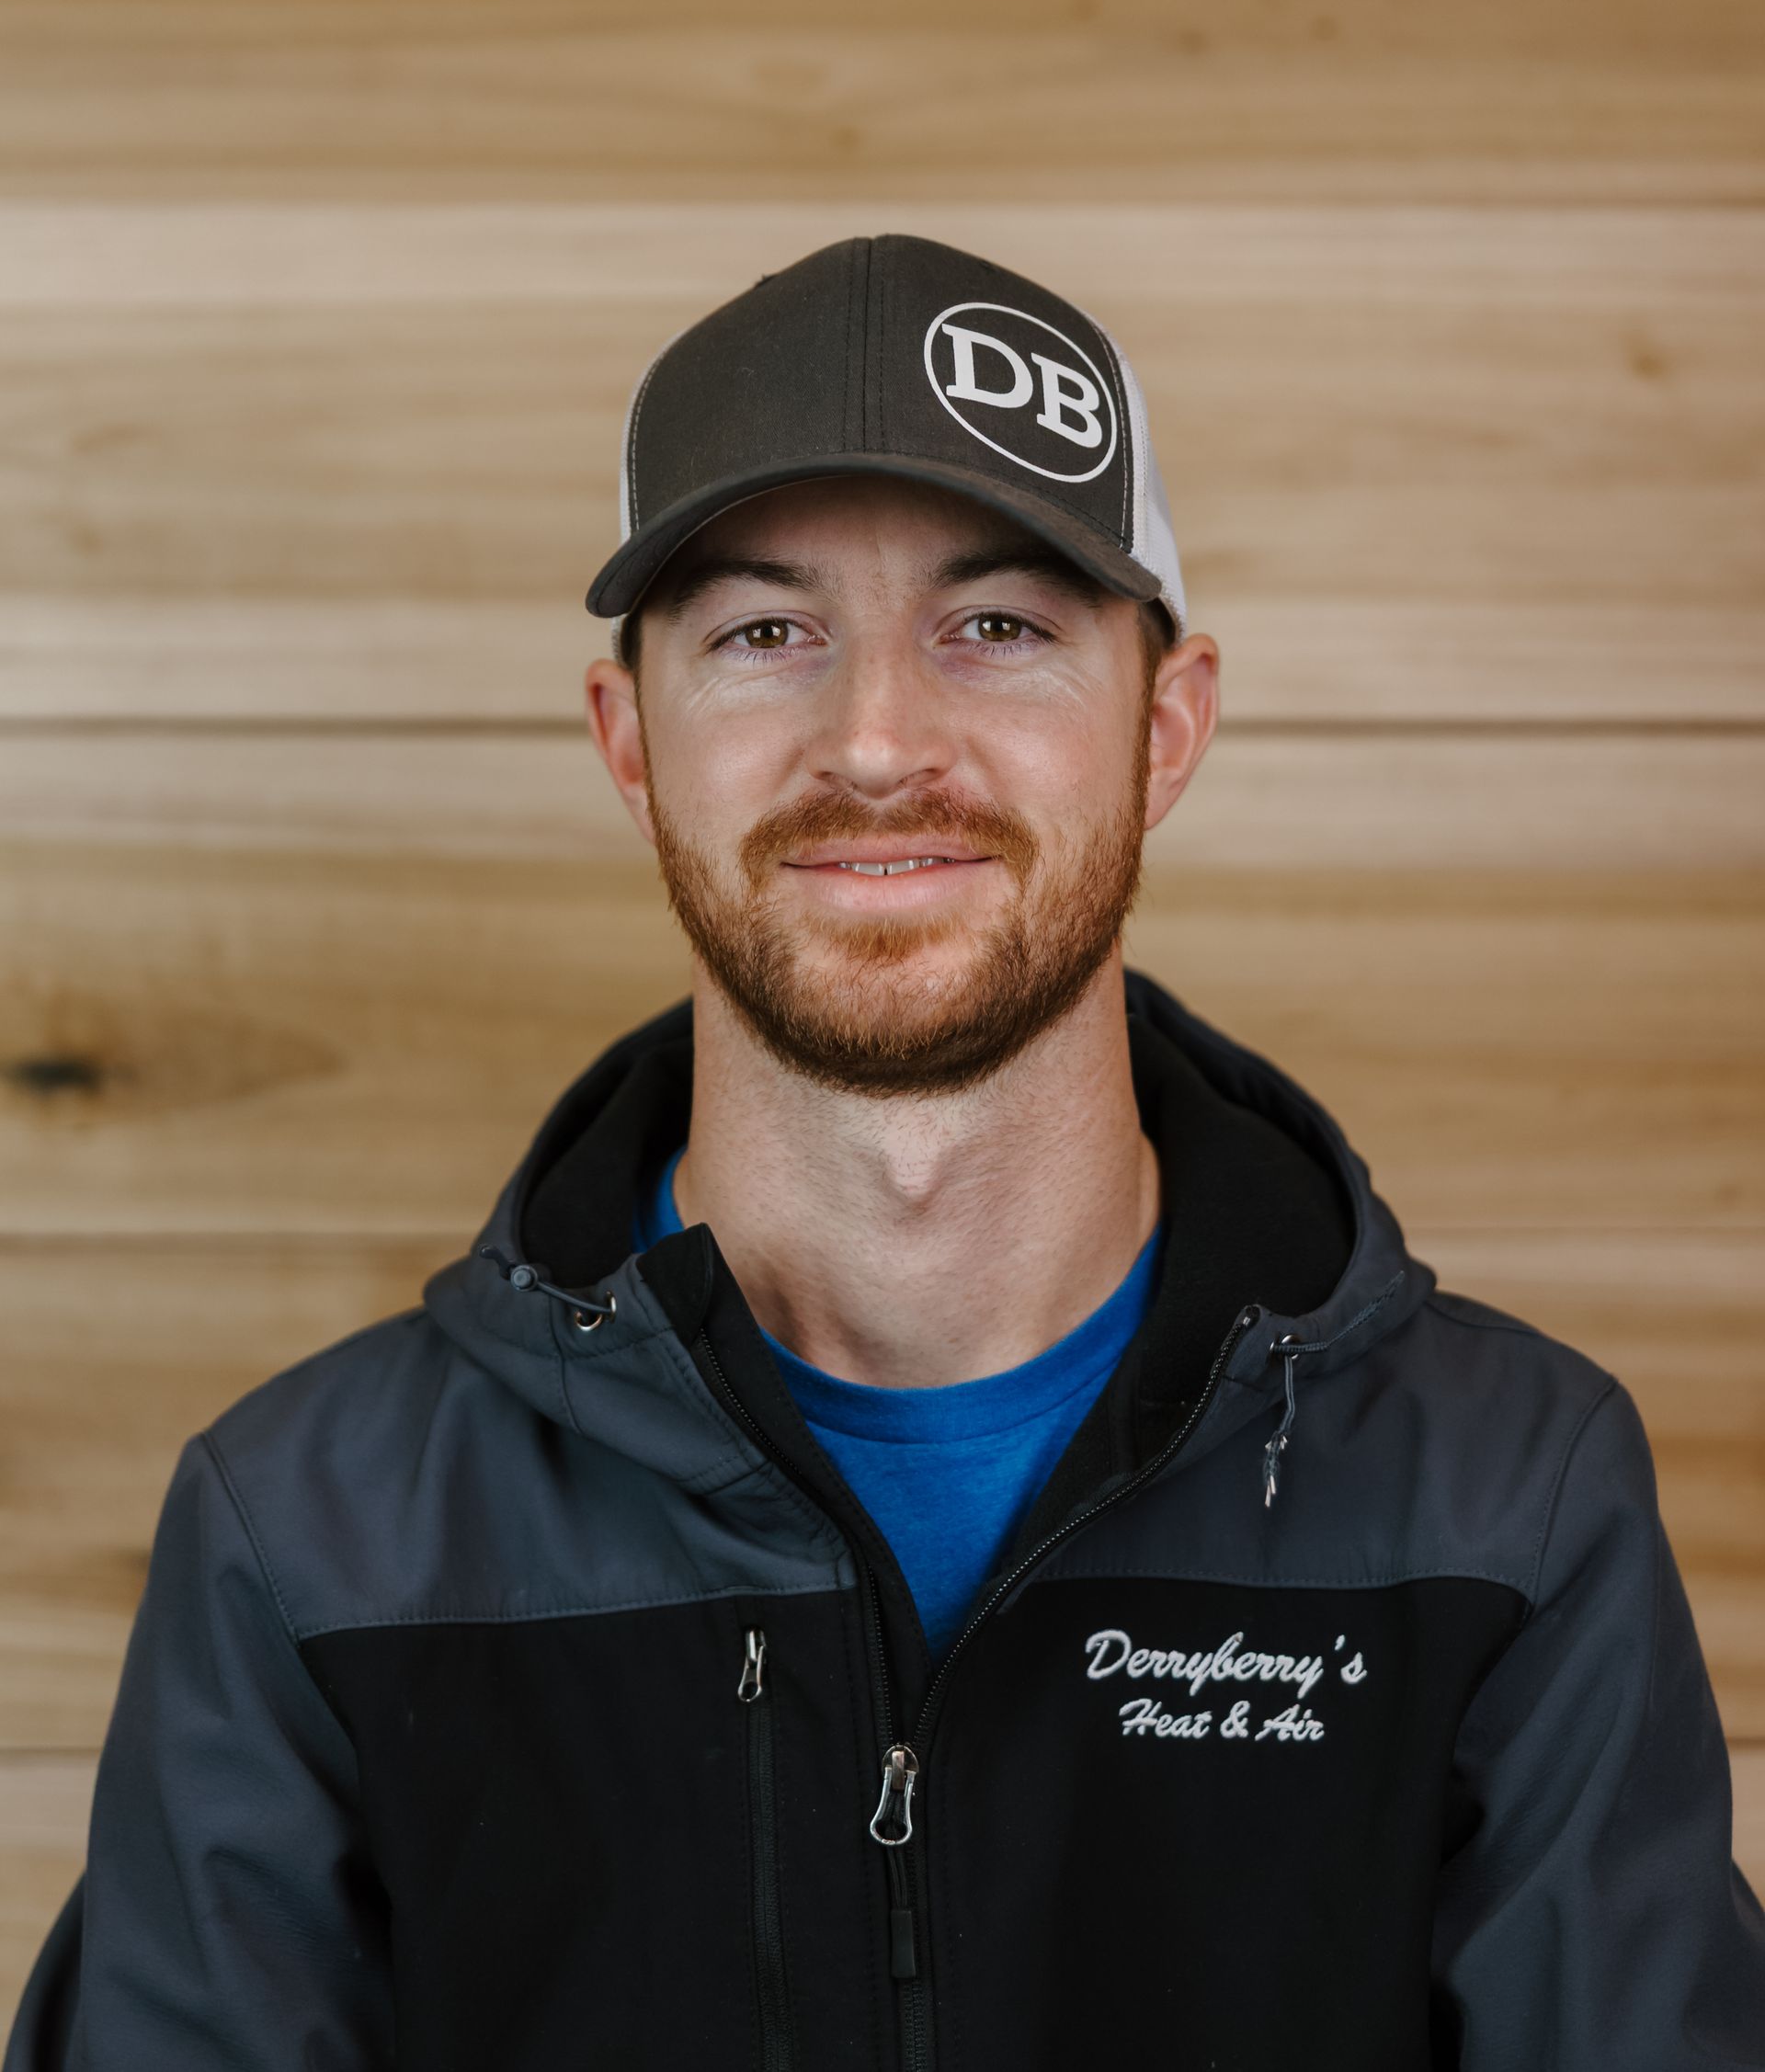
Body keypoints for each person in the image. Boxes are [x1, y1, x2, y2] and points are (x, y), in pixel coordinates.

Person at [8, 233, 1763, 2070]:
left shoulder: (1507, 1512)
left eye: (995, 625)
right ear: (632, 744)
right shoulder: (311, 1545)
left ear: (1167, 729)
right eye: (767, 631)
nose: (875, 740)